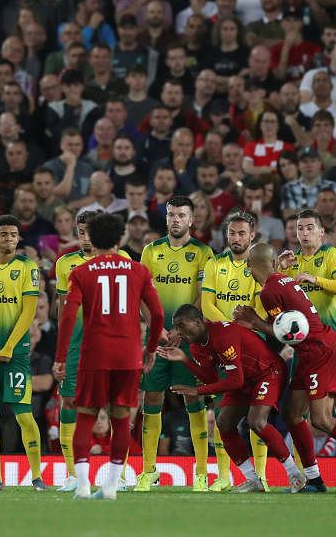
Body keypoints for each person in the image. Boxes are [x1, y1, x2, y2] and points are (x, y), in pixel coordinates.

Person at [234, 242, 336, 492]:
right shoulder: (283, 280)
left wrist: (254, 321)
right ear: (273, 263)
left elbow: (287, 334)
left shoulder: (269, 291)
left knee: (322, 419)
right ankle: (314, 479)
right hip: (312, 350)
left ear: (249, 267)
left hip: (319, 351)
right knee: (291, 413)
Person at [54, 211, 164, 500]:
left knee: (86, 418)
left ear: (93, 238)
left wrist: (61, 357)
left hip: (94, 354)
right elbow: (158, 313)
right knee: (120, 419)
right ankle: (112, 486)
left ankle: (81, 485)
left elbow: (67, 316)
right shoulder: (138, 271)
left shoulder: (79, 272)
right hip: (129, 355)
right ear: (119, 238)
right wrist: (150, 349)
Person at [159, 304, 306, 493]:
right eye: (176, 327)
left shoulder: (222, 335)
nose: (178, 332)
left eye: (181, 326)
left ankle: (295, 474)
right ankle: (253, 480)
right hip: (244, 379)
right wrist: (185, 360)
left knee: (256, 421)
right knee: (224, 422)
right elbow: (212, 378)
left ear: (197, 322)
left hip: (268, 372)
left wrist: (198, 391)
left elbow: (235, 381)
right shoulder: (196, 347)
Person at [277, 209, 336, 490]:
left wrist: (316, 280)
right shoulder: (293, 261)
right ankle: (306, 474)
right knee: (297, 409)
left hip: (331, 340)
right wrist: (281, 271)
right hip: (303, 343)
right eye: (299, 228)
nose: (303, 233)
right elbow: (277, 293)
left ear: (321, 231)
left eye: (309, 228)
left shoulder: (331, 255)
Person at [135, 196, 215, 492]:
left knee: (193, 399)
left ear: (192, 220)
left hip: (189, 341)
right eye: (171, 215)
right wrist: (157, 329)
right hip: (155, 339)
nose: (175, 220)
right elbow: (143, 294)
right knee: (152, 399)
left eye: (181, 215)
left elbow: (204, 295)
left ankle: (203, 472)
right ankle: (148, 471)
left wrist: (182, 329)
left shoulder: (204, 253)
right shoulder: (150, 251)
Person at [50, 210, 132, 492]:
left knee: (115, 405)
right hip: (76, 344)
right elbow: (63, 309)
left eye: (90, 232)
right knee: (70, 403)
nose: (85, 238)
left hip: (111, 341)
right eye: (80, 232)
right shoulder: (65, 264)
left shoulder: (124, 261)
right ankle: (72, 475)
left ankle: (117, 477)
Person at [0, 214, 47, 492]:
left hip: (15, 353)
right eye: (4, 234)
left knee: (23, 414)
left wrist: (9, 347)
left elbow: (29, 311)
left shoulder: (28, 267)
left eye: (14, 235)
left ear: (18, 238)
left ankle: (37, 477)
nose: (9, 239)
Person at [199, 210, 266, 488]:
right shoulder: (215, 264)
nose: (236, 238)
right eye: (232, 233)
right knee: (220, 410)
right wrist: (230, 330)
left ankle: (259, 475)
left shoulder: (258, 266)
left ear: (252, 235)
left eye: (241, 233)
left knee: (256, 413)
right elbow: (206, 305)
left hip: (251, 347)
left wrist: (240, 332)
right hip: (221, 347)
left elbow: (259, 307)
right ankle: (224, 475)